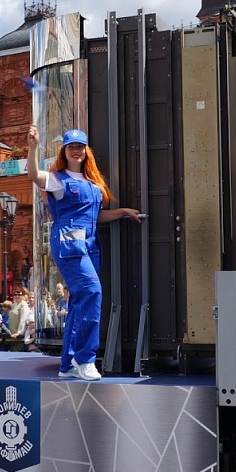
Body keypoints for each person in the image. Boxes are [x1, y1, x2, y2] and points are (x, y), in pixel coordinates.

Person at [27, 125, 142, 380]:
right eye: (71, 147)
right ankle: (85, 359)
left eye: (80, 147)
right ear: (65, 151)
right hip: (69, 246)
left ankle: (67, 364)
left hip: (90, 247)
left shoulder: (92, 183)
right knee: (92, 292)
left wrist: (122, 212)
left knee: (80, 303)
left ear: (86, 151)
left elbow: (96, 216)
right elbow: (34, 175)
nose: (76, 151)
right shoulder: (58, 178)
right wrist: (33, 146)